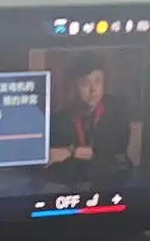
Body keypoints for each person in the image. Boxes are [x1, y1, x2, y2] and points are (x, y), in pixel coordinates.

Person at [47, 51, 131, 184]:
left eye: (97, 81)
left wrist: (72, 151)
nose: (93, 90)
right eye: (85, 84)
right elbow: (57, 163)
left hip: (112, 180)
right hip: (75, 185)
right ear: (75, 87)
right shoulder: (60, 120)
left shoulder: (118, 108)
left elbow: (115, 152)